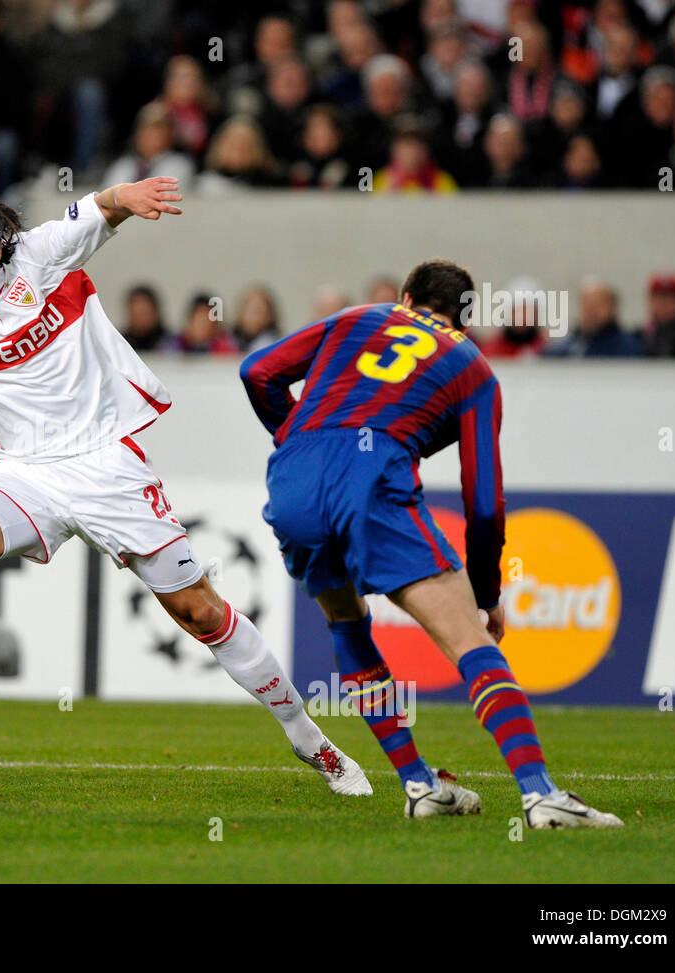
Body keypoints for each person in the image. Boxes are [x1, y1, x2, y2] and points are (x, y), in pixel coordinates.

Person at [0, 177, 371, 797]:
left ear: (2, 252)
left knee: (200, 611)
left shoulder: (42, 253)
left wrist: (131, 196)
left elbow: (104, 205)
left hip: (106, 464)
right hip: (24, 469)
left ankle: (310, 742)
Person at [239, 260, 621, 829]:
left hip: (294, 478)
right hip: (369, 479)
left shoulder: (359, 317)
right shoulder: (472, 367)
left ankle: (419, 783)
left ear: (407, 296)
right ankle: (540, 795)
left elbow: (257, 371)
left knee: (346, 620)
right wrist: (486, 595)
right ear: (464, 320)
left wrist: (296, 436)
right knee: (468, 640)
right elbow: (485, 500)